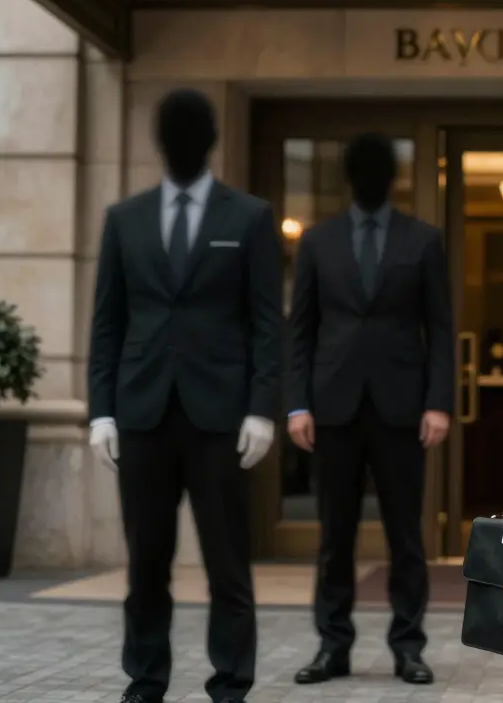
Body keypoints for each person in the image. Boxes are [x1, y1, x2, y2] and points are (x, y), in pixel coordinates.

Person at [86, 88, 282, 703]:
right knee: (146, 562)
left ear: (210, 142)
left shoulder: (248, 216)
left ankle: (231, 684)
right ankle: (145, 681)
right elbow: (107, 324)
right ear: (161, 144)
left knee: (228, 564)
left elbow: (266, 323)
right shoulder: (125, 219)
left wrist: (261, 409)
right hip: (141, 414)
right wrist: (100, 413)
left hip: (220, 417)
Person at [286, 132, 452, 686]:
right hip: (332, 408)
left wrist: (438, 403)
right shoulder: (318, 241)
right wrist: (296, 404)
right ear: (352, 179)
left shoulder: (423, 240)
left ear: (391, 179)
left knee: (406, 536)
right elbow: (300, 330)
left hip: (403, 409)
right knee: (334, 538)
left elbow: (441, 329)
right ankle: (332, 647)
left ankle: (409, 648)